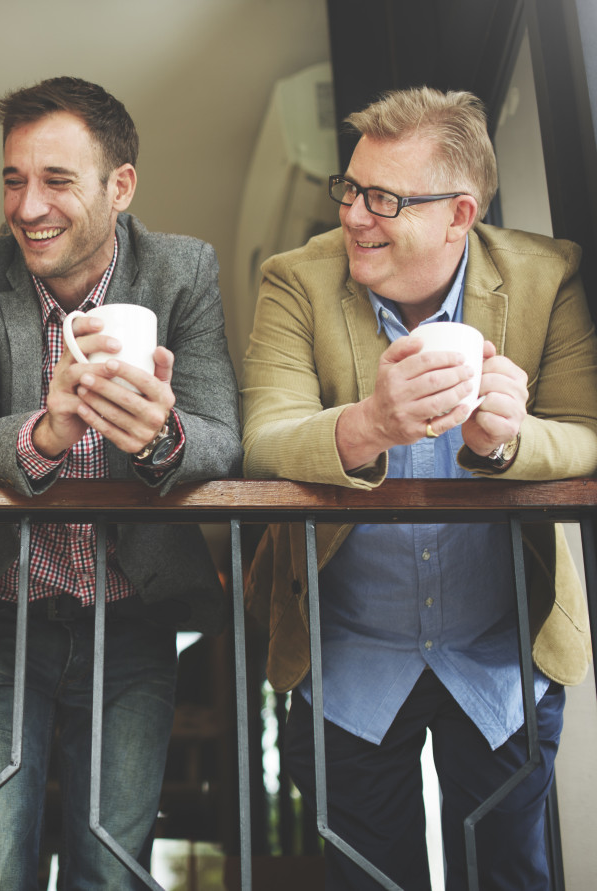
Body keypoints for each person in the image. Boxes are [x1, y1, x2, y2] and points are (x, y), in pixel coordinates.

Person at [0, 76, 241, 888]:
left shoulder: (184, 270)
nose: (27, 205)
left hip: (133, 617)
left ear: (121, 187)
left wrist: (160, 434)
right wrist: (46, 431)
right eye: (14, 178)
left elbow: (225, 438)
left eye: (56, 181)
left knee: (112, 871)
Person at [241, 85, 597, 890]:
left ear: (460, 213)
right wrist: (368, 424)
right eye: (352, 189)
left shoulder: (546, 276)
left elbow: (585, 430)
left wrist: (507, 440)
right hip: (349, 663)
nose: (355, 217)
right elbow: (263, 438)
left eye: (384, 199)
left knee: (512, 877)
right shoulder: (294, 280)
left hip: (500, 662)